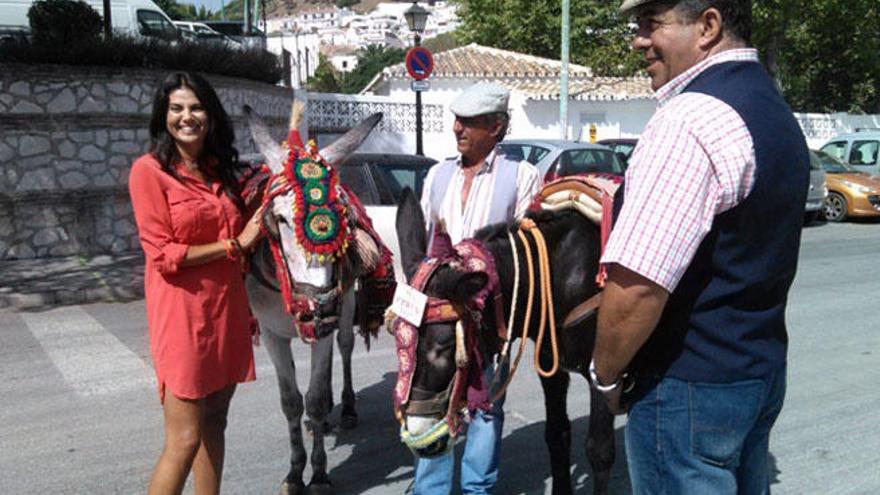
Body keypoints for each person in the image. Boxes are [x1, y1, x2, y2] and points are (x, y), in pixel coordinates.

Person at [590, 1, 809, 493]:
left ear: (708, 26)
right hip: (758, 372)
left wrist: (605, 375)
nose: (639, 40)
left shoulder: (689, 121)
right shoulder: (774, 112)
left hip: (687, 389)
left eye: (652, 24)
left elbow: (638, 287)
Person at [129, 72, 264, 495]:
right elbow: (164, 254)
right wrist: (233, 245)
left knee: (215, 423)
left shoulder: (218, 171)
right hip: (182, 316)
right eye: (176, 108)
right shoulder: (149, 172)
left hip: (226, 309)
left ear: (210, 114)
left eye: (196, 107)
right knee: (184, 439)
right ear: (163, 115)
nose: (186, 117)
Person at [413, 83, 539, 494]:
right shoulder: (437, 175)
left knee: (485, 406)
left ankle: (476, 489)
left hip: (488, 317)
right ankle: (430, 489)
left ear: (496, 127)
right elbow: (426, 244)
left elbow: (523, 254)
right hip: (437, 320)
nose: (457, 129)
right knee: (432, 403)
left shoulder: (522, 176)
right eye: (456, 120)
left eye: (468, 122)